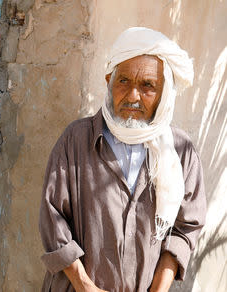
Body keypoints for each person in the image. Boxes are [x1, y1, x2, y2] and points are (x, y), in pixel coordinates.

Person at [39, 27, 206, 292]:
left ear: (164, 92)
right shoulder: (75, 140)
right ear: (109, 81)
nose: (133, 96)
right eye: (124, 81)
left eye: (148, 85)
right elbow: (52, 217)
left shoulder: (180, 151)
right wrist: (86, 287)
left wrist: (158, 289)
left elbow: (186, 228)